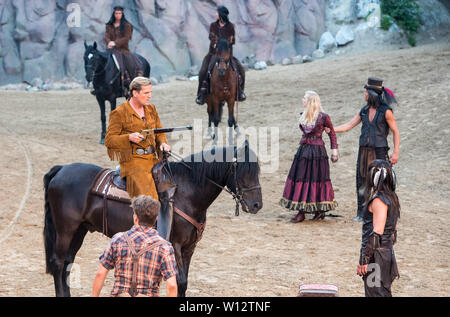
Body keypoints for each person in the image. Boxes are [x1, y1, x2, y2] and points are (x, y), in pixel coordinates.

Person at [334, 77, 399, 222]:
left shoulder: (386, 112)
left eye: (366, 92)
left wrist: (395, 152)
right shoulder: (363, 111)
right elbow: (348, 125)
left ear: (372, 94)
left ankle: (384, 211)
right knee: (361, 182)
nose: (364, 95)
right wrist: (330, 129)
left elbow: (396, 131)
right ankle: (362, 213)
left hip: (380, 151)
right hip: (363, 151)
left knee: (381, 182)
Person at [92, 195, 178, 297]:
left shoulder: (117, 239)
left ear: (135, 218)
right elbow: (172, 285)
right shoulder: (165, 247)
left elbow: (100, 274)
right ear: (156, 219)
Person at [105, 77, 171, 200]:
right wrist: (128, 137)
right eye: (146, 93)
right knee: (150, 200)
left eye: (151, 92)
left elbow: (159, 132)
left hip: (154, 158)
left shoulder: (151, 109)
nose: (150, 96)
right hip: (133, 162)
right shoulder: (119, 113)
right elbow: (109, 140)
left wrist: (162, 143)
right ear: (135, 93)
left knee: (173, 189)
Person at [280, 91, 338, 223]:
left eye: (305, 98)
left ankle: (318, 211)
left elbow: (332, 134)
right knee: (302, 178)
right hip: (304, 151)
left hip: (318, 152)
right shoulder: (303, 115)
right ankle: (302, 211)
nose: (302, 100)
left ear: (311, 101)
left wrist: (334, 152)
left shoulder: (323, 117)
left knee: (316, 179)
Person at [357, 159, 400, 297]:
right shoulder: (392, 198)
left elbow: (377, 232)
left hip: (377, 258)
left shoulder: (379, 200)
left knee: (375, 294)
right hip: (385, 254)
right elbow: (392, 233)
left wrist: (365, 260)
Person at [195, 5, 246, 105]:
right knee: (202, 72)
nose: (215, 14)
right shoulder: (213, 25)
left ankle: (239, 92)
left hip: (227, 55)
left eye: (217, 13)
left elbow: (232, 40)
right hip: (213, 54)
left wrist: (224, 44)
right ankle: (201, 94)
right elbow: (211, 36)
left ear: (221, 15)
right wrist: (215, 41)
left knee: (241, 70)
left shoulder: (230, 26)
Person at [97, 6, 143, 96]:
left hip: (123, 50)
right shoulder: (109, 25)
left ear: (122, 14)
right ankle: (98, 85)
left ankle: (129, 84)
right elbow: (106, 36)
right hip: (111, 50)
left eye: (119, 13)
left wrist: (115, 43)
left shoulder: (127, 25)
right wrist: (109, 42)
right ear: (113, 14)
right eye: (116, 13)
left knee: (128, 64)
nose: (117, 15)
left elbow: (126, 38)